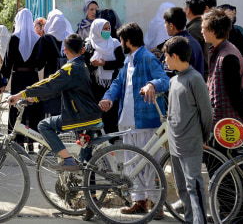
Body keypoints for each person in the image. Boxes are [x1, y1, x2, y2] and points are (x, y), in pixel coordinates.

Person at [99, 22, 169, 215]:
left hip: (147, 122)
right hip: (128, 122)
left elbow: (164, 80)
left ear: (128, 41)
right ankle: (139, 202)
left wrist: (152, 84)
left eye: (121, 39)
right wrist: (108, 98)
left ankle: (157, 205)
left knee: (150, 165)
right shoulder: (128, 60)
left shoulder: (147, 58)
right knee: (133, 165)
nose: (120, 43)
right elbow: (118, 83)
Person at [9, 33, 102, 171]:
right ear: (82, 50)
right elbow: (56, 90)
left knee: (44, 125)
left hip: (79, 116)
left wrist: (21, 94)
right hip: (90, 114)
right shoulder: (82, 65)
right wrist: (35, 98)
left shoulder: (69, 69)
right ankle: (91, 192)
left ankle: (68, 160)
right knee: (86, 160)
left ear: (65, 51)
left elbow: (49, 83)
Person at [161, 36, 212, 224]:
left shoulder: (195, 78)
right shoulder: (174, 80)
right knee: (183, 188)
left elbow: (206, 113)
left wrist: (203, 137)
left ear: (174, 56)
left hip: (191, 142)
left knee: (194, 186)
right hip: (175, 144)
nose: (165, 60)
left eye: (166, 56)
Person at [201, 9, 243, 131]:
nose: (201, 31)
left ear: (213, 31)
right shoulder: (218, 51)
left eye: (203, 28)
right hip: (221, 122)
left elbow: (236, 94)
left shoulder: (228, 56)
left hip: (229, 125)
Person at [1, 8, 43, 152]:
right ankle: (31, 143)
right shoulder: (37, 38)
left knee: (16, 106)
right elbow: (40, 62)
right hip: (32, 77)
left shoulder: (14, 38)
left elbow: (7, 61)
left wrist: (3, 81)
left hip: (18, 77)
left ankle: (17, 142)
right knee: (32, 108)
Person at [85, 18, 125, 137]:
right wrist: (93, 65)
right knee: (97, 110)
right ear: (97, 30)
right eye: (104, 29)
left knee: (111, 110)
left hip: (112, 82)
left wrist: (105, 64)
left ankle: (111, 137)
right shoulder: (89, 45)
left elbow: (120, 62)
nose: (107, 31)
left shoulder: (114, 43)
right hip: (95, 84)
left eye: (108, 28)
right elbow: (84, 65)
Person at [40, 9, 74, 116]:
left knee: (51, 111)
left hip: (51, 78)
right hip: (66, 78)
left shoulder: (46, 39)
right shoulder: (70, 38)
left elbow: (39, 60)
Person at [163, 7, 205, 78]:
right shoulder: (193, 41)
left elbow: (168, 74)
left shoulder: (175, 45)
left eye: (165, 23)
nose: (165, 26)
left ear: (171, 26)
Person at [185, 0, 207, 70]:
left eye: (185, 7)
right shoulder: (204, 24)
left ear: (188, 11)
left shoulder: (193, 29)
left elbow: (192, 53)